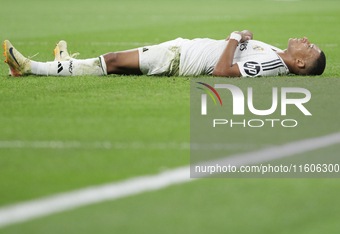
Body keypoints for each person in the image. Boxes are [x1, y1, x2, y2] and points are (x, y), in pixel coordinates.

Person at [3, 30, 326, 78]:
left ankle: (32, 67)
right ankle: (65, 64)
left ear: (299, 63)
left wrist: (233, 38)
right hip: (181, 50)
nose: (306, 40)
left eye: (309, 49)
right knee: (114, 59)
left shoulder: (273, 63)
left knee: (113, 61)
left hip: (179, 59)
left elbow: (223, 72)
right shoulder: (276, 54)